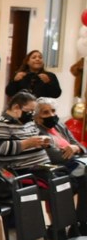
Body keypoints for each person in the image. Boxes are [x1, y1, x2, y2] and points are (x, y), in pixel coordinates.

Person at [35, 97, 87, 230]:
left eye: (53, 111)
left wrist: (75, 148)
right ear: (36, 116)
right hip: (55, 169)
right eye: (45, 112)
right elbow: (56, 156)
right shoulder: (36, 131)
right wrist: (75, 150)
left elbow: (80, 146)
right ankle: (65, 227)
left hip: (73, 165)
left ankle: (81, 223)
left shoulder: (59, 125)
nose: (51, 115)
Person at [0, 91, 51, 172]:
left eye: (33, 112)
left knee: (64, 176)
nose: (31, 115)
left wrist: (44, 142)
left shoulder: (29, 123)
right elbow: (1, 148)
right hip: (21, 169)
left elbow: (39, 138)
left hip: (43, 165)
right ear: (16, 108)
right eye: (29, 111)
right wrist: (27, 143)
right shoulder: (0, 124)